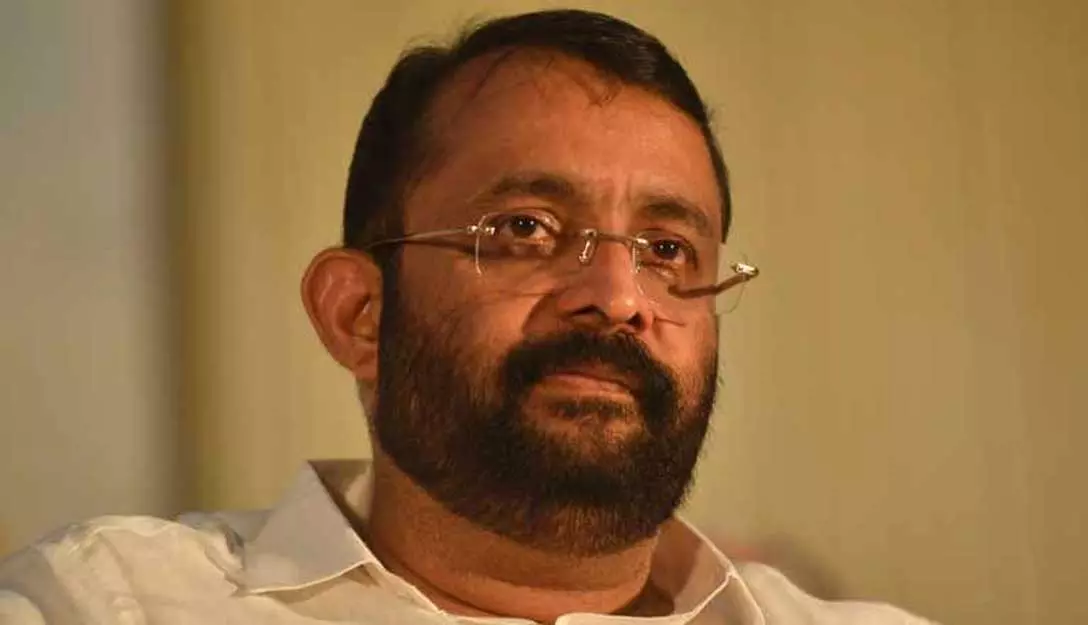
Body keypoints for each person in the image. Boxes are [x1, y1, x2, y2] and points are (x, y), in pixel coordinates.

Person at [0, 9, 931, 624]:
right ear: (360, 312)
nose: (618, 297)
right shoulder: (109, 602)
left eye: (666, 249)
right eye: (526, 229)